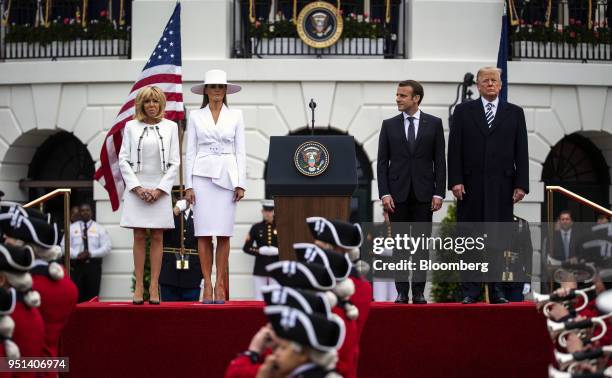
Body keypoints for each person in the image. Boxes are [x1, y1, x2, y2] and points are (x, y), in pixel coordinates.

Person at [448, 66, 529, 304]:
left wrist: (521, 184)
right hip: (470, 187)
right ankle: (470, 291)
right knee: (470, 239)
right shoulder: (463, 112)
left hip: (502, 187)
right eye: (486, 81)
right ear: (478, 85)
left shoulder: (515, 113)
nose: (490, 84)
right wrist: (455, 180)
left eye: (494, 80)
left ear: (501, 85)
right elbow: (454, 149)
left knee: (498, 240)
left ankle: (497, 291)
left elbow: (521, 150)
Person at [376, 79, 446, 305]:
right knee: (401, 247)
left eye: (402, 95)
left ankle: (418, 292)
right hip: (397, 196)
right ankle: (401, 291)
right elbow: (381, 162)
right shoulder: (389, 125)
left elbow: (440, 161)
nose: (397, 99)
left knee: (420, 246)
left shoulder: (434, 124)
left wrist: (439, 193)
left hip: (425, 195)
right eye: (397, 95)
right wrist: (384, 193)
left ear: (416, 98)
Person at [184, 69, 247, 304]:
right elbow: (190, 151)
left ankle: (220, 283)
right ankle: (207, 284)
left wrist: (241, 183)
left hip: (228, 178)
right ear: (206, 90)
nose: (217, 91)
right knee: (202, 233)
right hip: (201, 176)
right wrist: (188, 185)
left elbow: (241, 150)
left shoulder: (237, 115)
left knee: (223, 232)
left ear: (226, 90)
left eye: (221, 87)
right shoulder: (195, 116)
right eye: (213, 87)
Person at [118, 86, 180, 305]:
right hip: (137, 188)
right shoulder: (130, 127)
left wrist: (160, 190)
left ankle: (154, 284)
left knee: (157, 236)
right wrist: (137, 187)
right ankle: (139, 287)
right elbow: (123, 159)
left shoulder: (171, 127)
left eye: (155, 102)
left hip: (160, 189)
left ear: (161, 104)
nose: (151, 106)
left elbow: (175, 163)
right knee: (138, 235)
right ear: (141, 105)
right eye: (147, 102)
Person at [64, 203, 111, 303]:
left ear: (92, 212)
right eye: (82, 210)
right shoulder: (71, 228)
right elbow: (63, 246)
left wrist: (90, 253)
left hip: (93, 267)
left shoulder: (99, 228)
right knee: (77, 296)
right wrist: (77, 254)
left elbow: (107, 247)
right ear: (79, 213)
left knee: (92, 296)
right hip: (76, 267)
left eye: (87, 210)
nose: (85, 212)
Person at [159, 198, 203, 301]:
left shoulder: (198, 216)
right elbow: (159, 228)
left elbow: (207, 246)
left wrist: (205, 277)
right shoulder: (169, 215)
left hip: (193, 276)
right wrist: (176, 210)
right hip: (169, 275)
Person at [242, 199, 279, 300]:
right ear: (262, 212)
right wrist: (259, 250)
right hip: (260, 268)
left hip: (277, 267)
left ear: (274, 211)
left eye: (270, 211)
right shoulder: (256, 227)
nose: (268, 213)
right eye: (265, 211)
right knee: (259, 298)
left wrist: (279, 251)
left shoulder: (281, 227)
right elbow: (246, 247)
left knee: (276, 298)